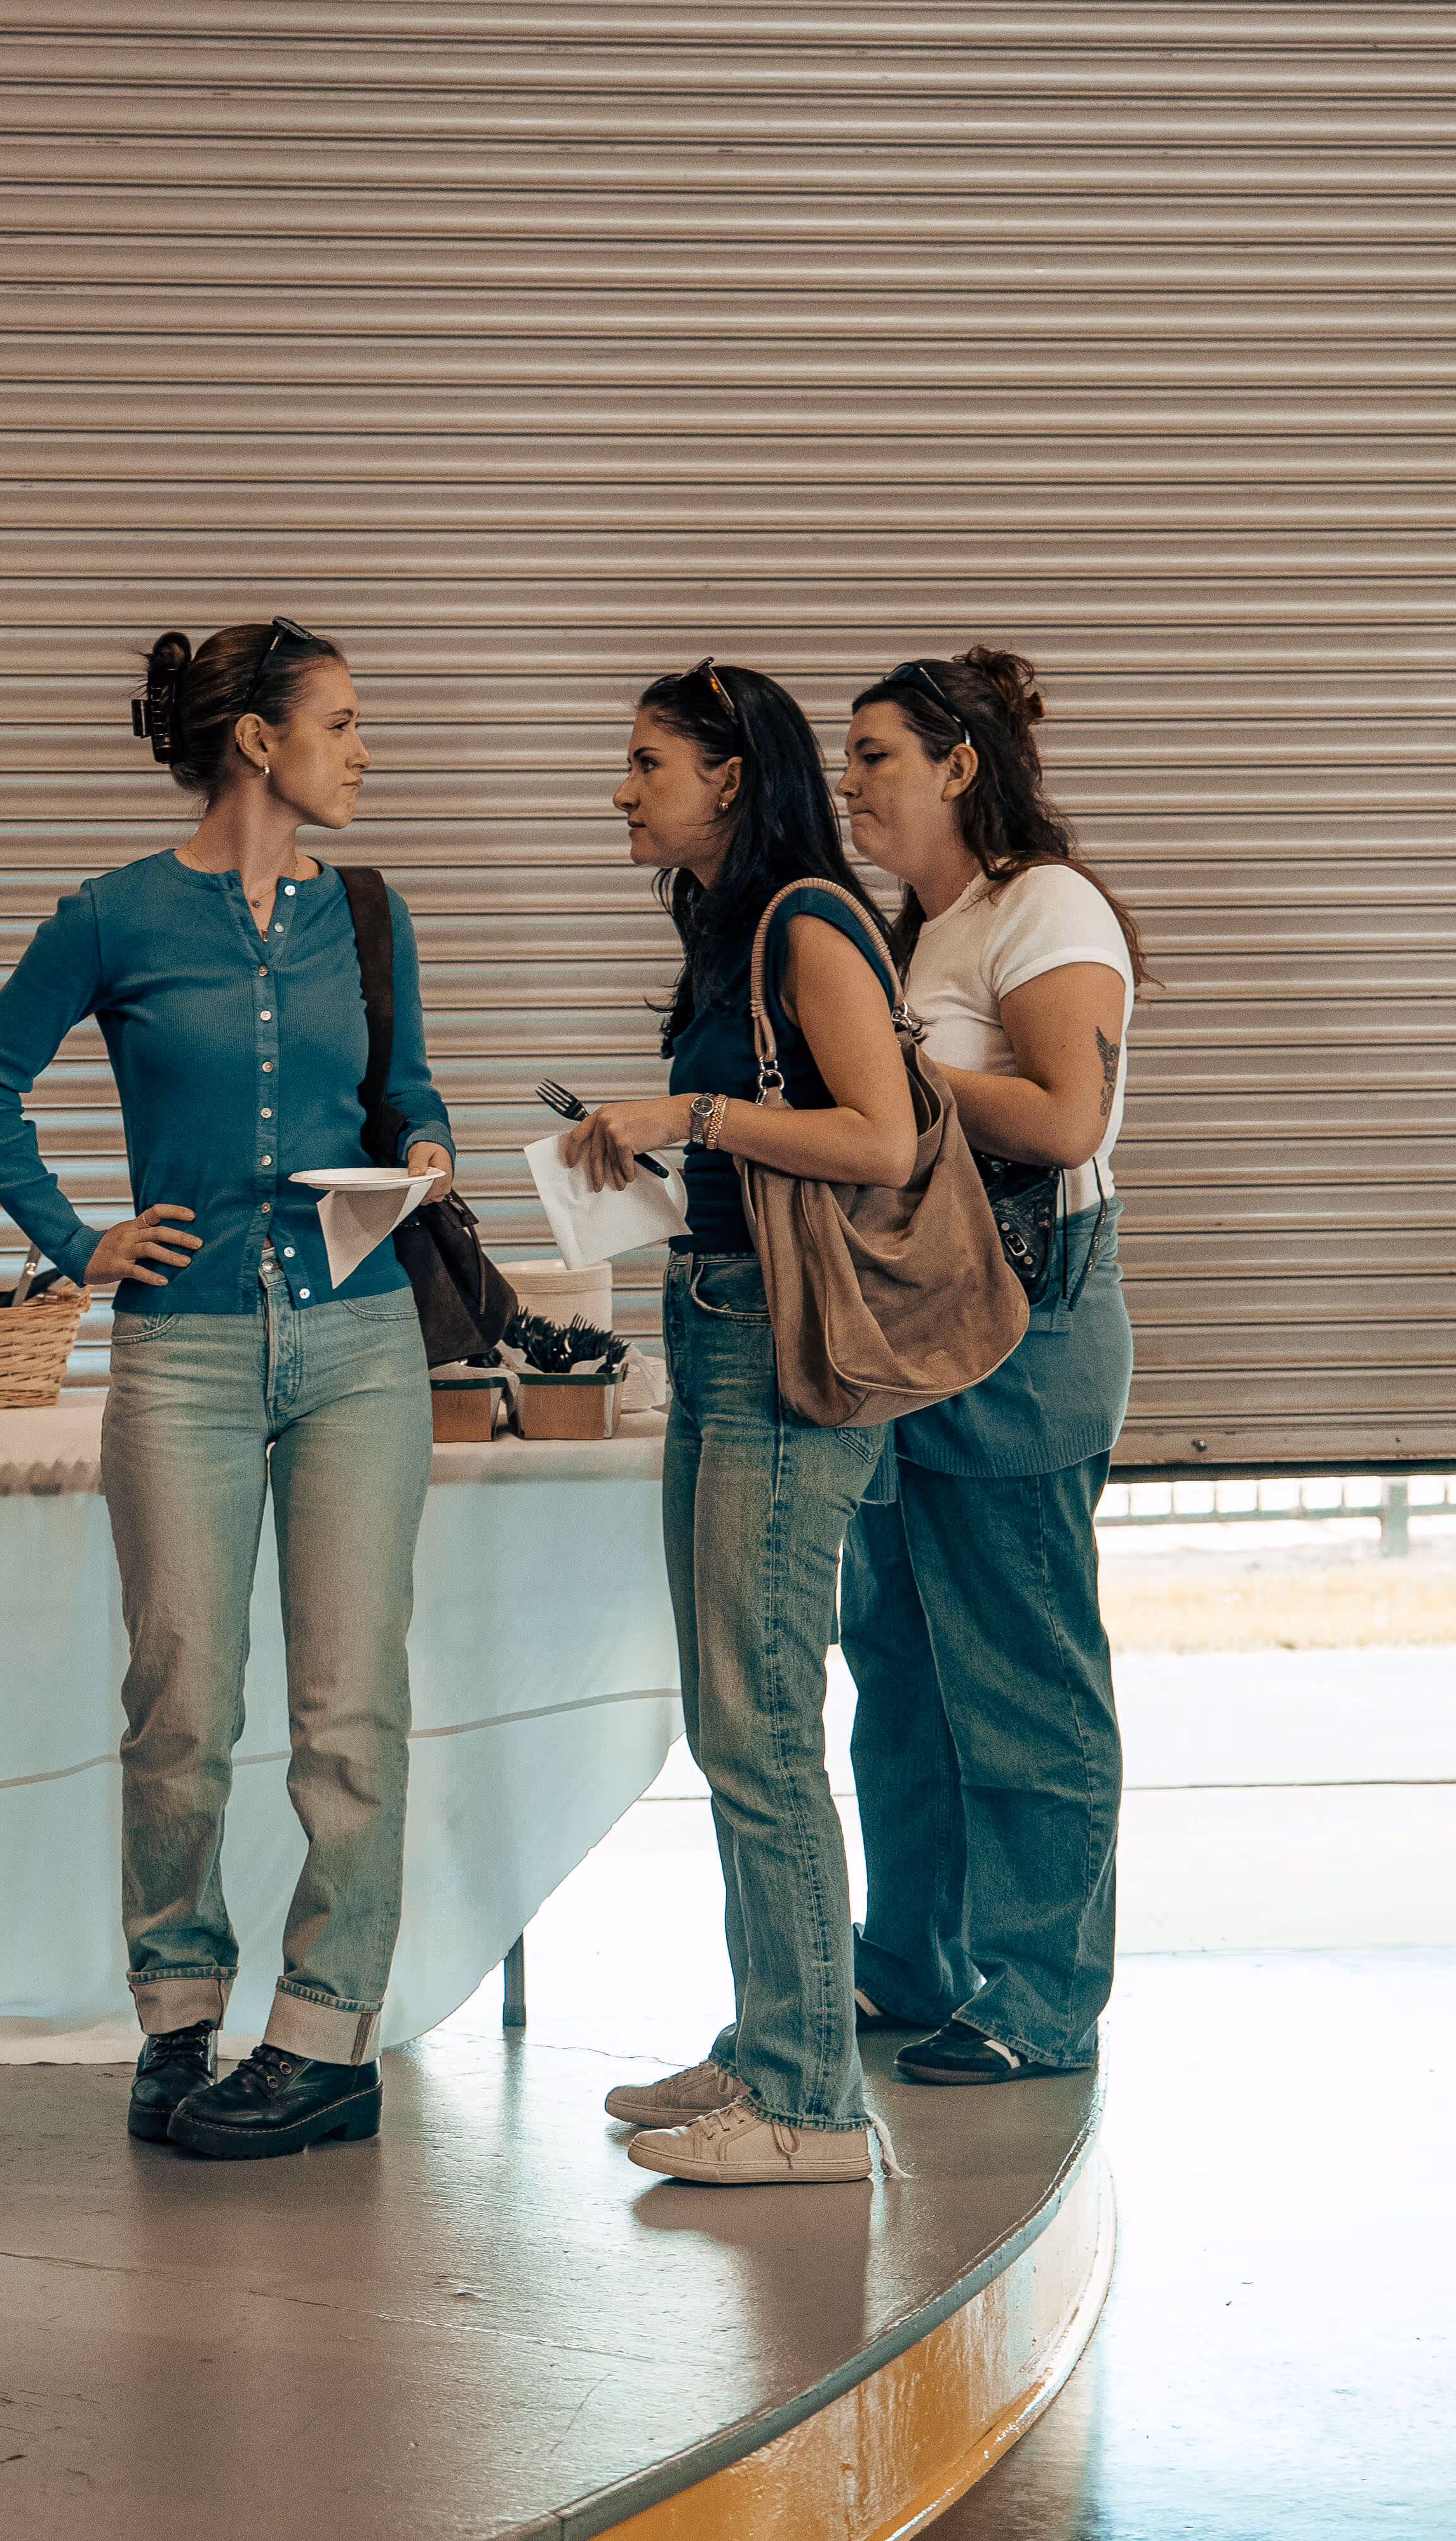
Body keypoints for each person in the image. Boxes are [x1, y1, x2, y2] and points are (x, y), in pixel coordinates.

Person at [0, 617, 450, 2160]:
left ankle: (323, 2034)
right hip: (186, 1348)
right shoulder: (113, 915)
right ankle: (178, 2008)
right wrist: (81, 1242)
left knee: (350, 1706)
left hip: (363, 1340)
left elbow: (408, 1084)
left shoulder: (368, 910)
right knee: (178, 1700)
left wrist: (423, 1151)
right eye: (344, 720)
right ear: (255, 739)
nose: (366, 748)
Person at [562, 661, 919, 2185]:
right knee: (734, 1712)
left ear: (728, 776)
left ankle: (811, 2107)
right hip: (716, 1320)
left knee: (762, 1713)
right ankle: (775, 2038)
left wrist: (686, 1119)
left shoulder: (808, 921)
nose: (622, 789)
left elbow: (885, 1136)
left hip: (781, 1341)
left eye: (648, 763)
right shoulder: (728, 935)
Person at [831, 649, 1143, 2087]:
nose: (852, 784)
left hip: (1023, 1339)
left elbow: (1069, 1119)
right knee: (900, 1673)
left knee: (1023, 1681)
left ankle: (1040, 1996)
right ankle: (911, 1958)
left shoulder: (1044, 906)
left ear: (960, 765)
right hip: (916, 1347)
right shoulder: (928, 926)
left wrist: (888, 1066)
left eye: (878, 755)